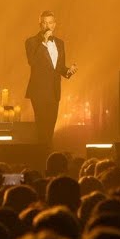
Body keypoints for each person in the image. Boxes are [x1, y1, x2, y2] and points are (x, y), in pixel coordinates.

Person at [24, 11, 77, 144]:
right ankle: (41, 155)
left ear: (55, 24)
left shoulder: (60, 43)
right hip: (39, 91)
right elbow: (33, 61)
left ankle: (47, 154)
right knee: (42, 126)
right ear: (40, 25)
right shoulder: (31, 42)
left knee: (50, 126)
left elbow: (59, 67)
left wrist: (69, 71)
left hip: (54, 91)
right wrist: (44, 41)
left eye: (50, 22)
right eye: (44, 23)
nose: (48, 25)